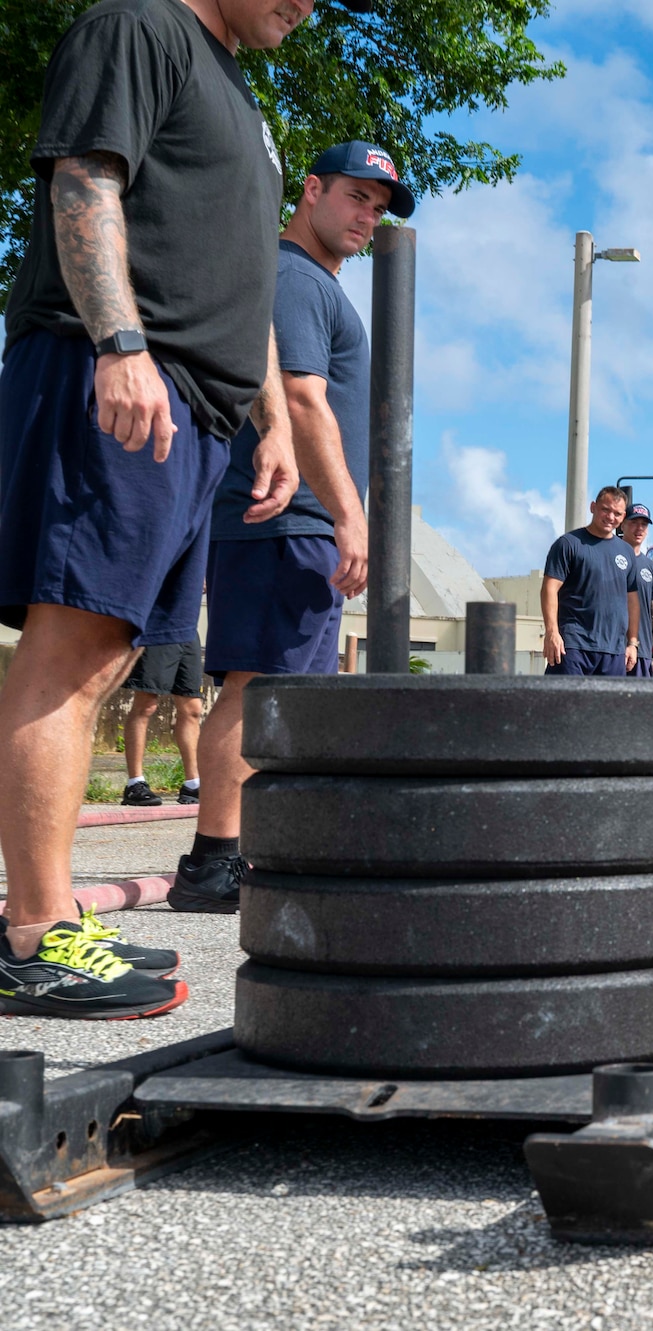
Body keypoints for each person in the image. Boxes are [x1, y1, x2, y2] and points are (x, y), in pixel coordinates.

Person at [0, 0, 310, 1019]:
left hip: (203, 407)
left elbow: (246, 276)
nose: (309, 4)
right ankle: (33, 935)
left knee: (113, 653)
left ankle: (45, 922)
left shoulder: (241, 92)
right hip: (128, 375)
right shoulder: (138, 26)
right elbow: (85, 179)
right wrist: (119, 346)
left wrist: (272, 421)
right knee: (73, 649)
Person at [174, 141, 408, 914]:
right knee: (260, 689)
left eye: (378, 208)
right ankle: (213, 861)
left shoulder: (312, 282)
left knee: (279, 691)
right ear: (310, 191)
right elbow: (302, 402)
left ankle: (235, 852)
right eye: (354, 197)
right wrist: (349, 513)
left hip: (288, 517)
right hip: (283, 516)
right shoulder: (294, 278)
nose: (367, 217)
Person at [540, 486, 641, 676]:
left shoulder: (626, 551)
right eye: (606, 509)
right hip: (573, 646)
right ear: (593, 507)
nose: (611, 517)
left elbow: (632, 601)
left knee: (609, 706)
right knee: (566, 704)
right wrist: (552, 632)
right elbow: (549, 588)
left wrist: (632, 643)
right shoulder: (568, 544)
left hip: (613, 651)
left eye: (617, 513)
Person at [120, 642, 204, 805]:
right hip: (158, 629)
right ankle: (135, 783)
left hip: (187, 629)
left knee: (192, 709)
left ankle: (193, 785)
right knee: (146, 705)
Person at [624, 503, 653, 676]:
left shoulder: (652, 567)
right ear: (622, 524)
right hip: (611, 649)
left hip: (643, 652)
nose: (639, 528)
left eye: (644, 524)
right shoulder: (610, 556)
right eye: (634, 522)